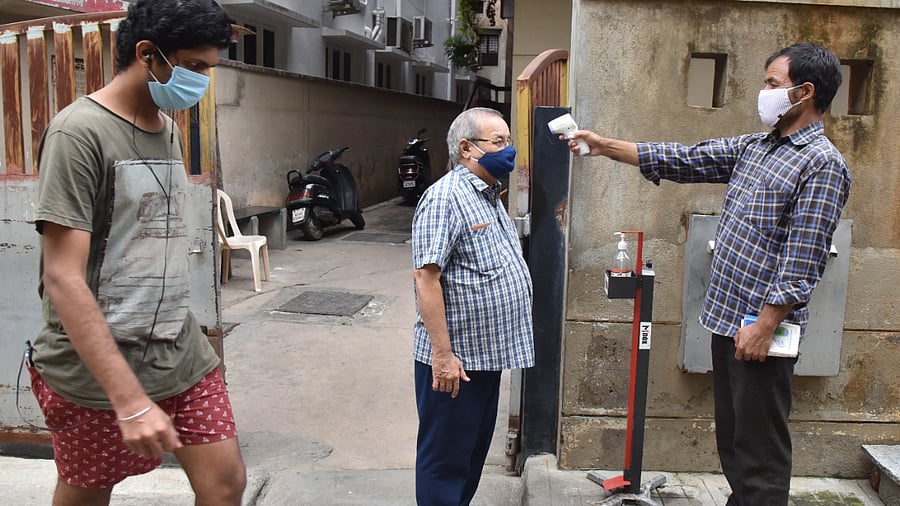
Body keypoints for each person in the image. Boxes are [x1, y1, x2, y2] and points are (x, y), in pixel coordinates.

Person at [567, 42, 851, 505]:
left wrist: (765, 325)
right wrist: (606, 147)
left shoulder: (821, 164)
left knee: (760, 455)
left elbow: (804, 258)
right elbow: (684, 158)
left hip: (762, 332)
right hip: (727, 322)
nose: (763, 93)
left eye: (772, 84)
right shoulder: (756, 147)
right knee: (735, 444)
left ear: (805, 92)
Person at [28, 1, 246, 504]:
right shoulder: (77, 133)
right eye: (194, 66)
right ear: (147, 54)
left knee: (226, 484)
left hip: (178, 348)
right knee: (88, 493)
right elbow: (63, 277)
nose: (201, 81)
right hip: (96, 366)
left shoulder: (166, 128)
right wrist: (128, 400)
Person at [411, 107, 534, 505]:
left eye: (508, 141)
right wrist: (443, 356)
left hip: (485, 357)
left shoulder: (489, 196)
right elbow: (426, 277)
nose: (508, 150)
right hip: (456, 364)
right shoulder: (445, 198)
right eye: (497, 142)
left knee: (470, 459)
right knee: (445, 462)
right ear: (466, 148)